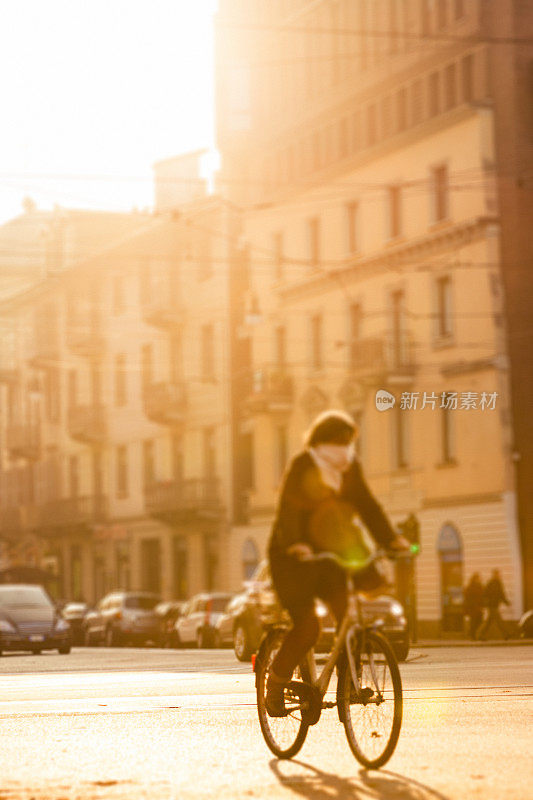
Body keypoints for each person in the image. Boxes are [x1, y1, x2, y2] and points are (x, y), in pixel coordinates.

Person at [265, 409, 410, 716]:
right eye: (337, 441)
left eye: (348, 441)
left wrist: (389, 539)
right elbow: (288, 511)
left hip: (329, 556)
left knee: (350, 620)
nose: (343, 448)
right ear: (320, 442)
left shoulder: (349, 469)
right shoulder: (303, 465)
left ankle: (348, 686)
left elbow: (367, 506)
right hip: (292, 558)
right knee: (308, 627)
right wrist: (295, 543)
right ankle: (276, 683)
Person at [477, 569, 511, 641]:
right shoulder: (491, 583)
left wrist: (506, 602)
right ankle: (506, 634)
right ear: (494, 575)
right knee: (499, 621)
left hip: (494, 605)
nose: (498, 575)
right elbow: (485, 594)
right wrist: (487, 602)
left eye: (498, 574)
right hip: (491, 605)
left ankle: (480, 635)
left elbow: (501, 594)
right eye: (497, 574)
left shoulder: (498, 583)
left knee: (488, 622)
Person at [463, 573, 484, 640]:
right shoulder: (470, 586)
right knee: (474, 621)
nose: (479, 579)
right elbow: (467, 597)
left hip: (479, 606)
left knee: (480, 620)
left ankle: (471, 632)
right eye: (478, 578)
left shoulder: (480, 586)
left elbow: (482, 596)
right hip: (472, 607)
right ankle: (473, 636)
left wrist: (482, 605)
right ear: (475, 579)